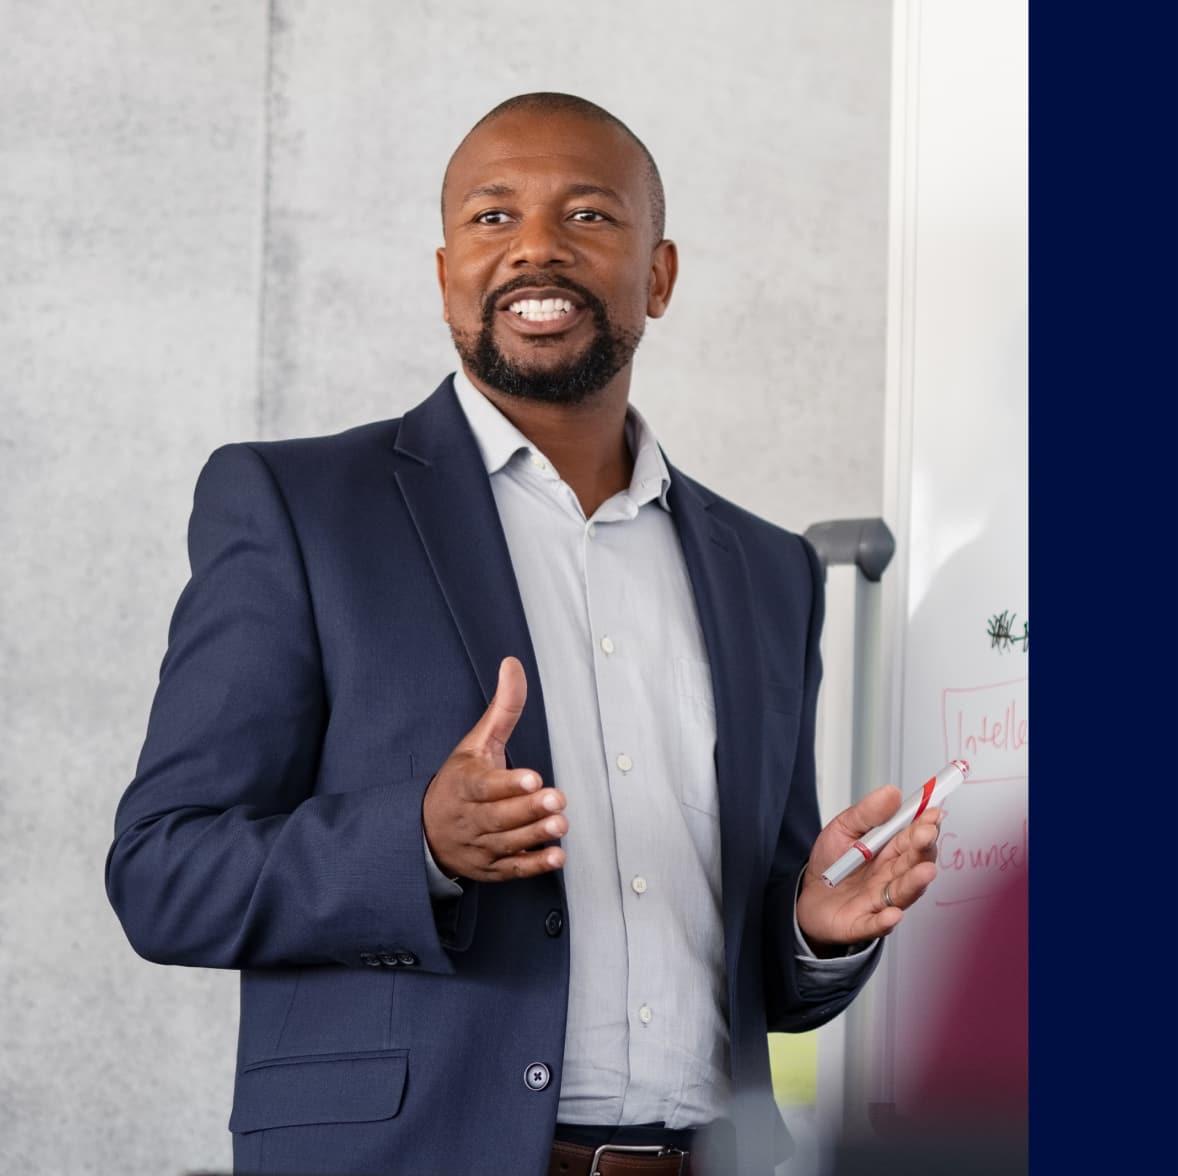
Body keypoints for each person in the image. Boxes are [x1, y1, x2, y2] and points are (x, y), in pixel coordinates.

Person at [105, 93, 942, 1176]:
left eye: (588, 216)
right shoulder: (299, 508)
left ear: (659, 275)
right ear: (445, 268)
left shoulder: (767, 572)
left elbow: (755, 980)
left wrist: (813, 929)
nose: (535, 248)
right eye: (492, 219)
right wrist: (415, 841)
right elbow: (163, 871)